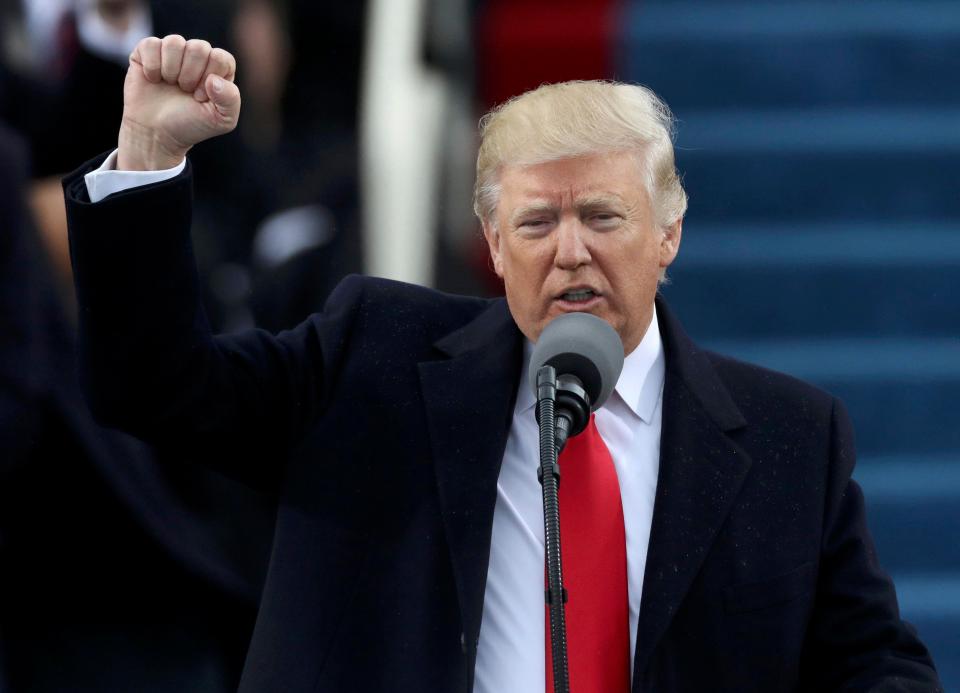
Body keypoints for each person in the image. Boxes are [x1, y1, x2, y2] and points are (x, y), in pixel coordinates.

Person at [62, 36, 941, 692]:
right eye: (535, 224)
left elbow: (874, 664)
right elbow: (160, 387)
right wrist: (148, 157)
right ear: (491, 241)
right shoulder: (375, 357)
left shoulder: (793, 435)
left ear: (668, 234)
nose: (569, 253)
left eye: (602, 216)